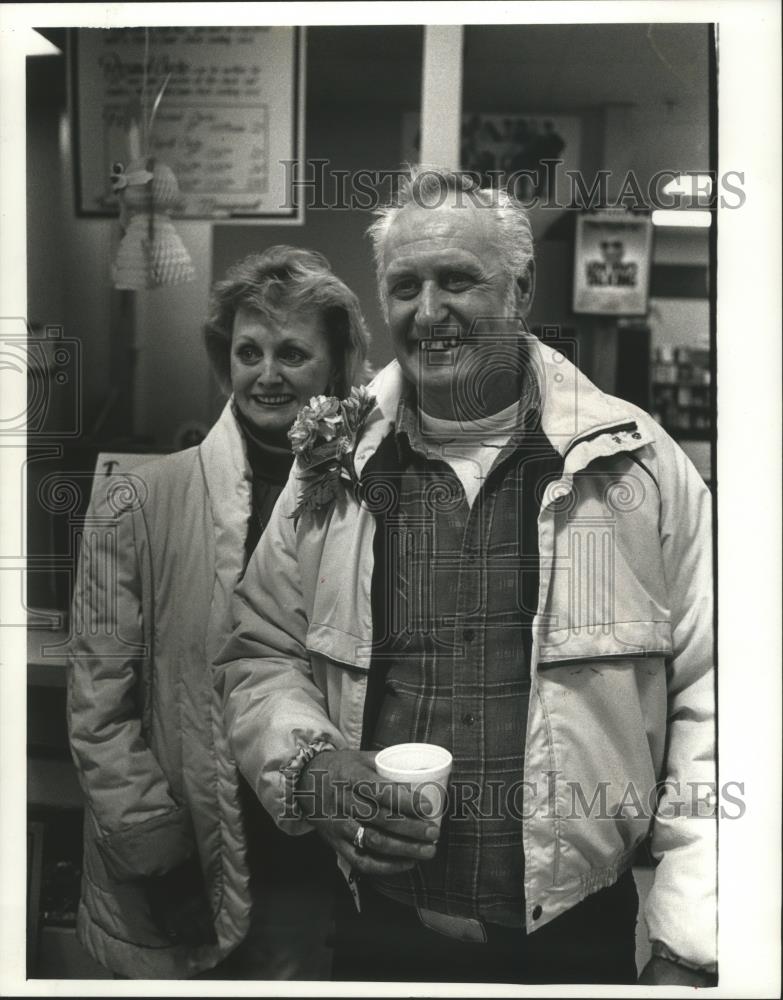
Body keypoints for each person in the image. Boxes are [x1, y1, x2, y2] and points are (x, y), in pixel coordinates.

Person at [214, 168, 717, 986]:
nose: (429, 311)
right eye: (405, 286)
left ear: (517, 289)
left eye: (458, 281)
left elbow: (715, 702)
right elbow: (257, 652)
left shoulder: (636, 467)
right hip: (375, 929)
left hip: (577, 940)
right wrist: (312, 768)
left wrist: (688, 942)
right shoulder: (333, 470)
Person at [66, 246, 371, 979]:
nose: (267, 374)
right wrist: (154, 851)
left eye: (293, 352)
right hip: (175, 867)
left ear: (336, 366)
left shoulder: (369, 498)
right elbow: (98, 703)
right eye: (248, 351)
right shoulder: (137, 499)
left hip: (304, 866)